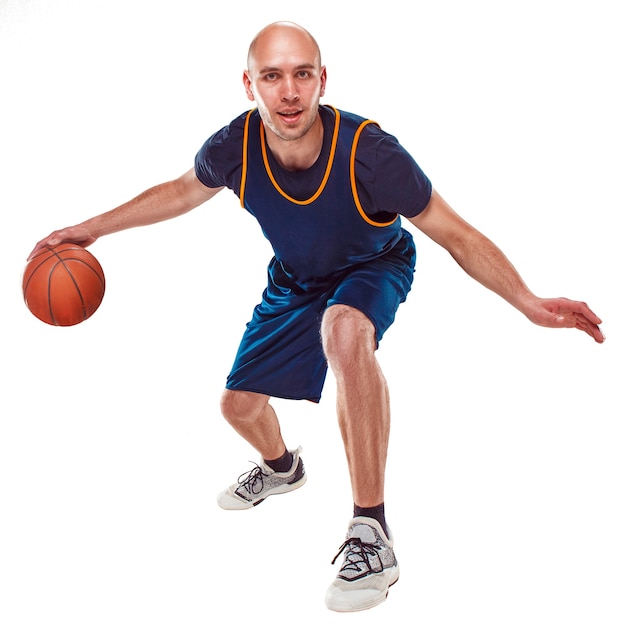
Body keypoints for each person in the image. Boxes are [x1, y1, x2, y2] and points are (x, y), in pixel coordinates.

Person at [29, 21, 604, 613]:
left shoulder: (373, 155)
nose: (289, 92)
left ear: (322, 80)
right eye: (272, 77)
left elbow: (455, 234)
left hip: (374, 264)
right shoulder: (234, 147)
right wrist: (91, 229)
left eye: (302, 74)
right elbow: (179, 190)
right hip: (296, 280)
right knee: (238, 406)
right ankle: (282, 469)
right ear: (248, 84)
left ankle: (371, 531)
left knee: (344, 330)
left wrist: (529, 301)